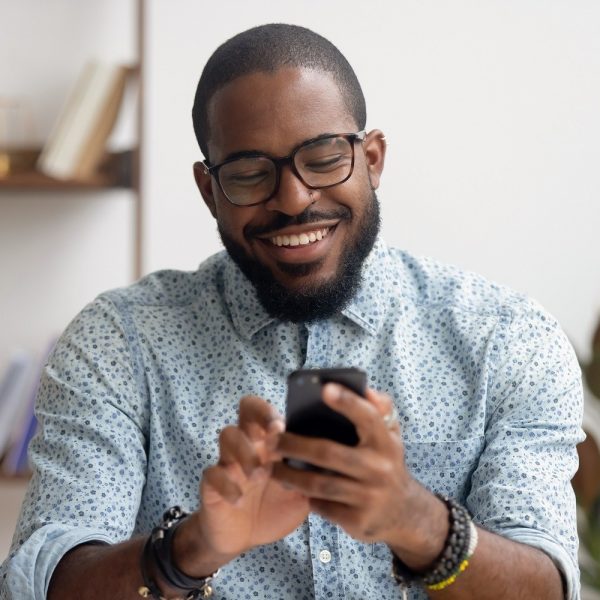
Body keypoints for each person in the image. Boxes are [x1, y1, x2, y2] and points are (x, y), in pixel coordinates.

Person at [0, 23, 584, 600]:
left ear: (373, 159)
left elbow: (548, 586)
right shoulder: (118, 343)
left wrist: (417, 521)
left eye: (324, 158)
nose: (294, 199)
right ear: (209, 191)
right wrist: (191, 548)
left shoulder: (509, 341)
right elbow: (38, 583)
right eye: (251, 173)